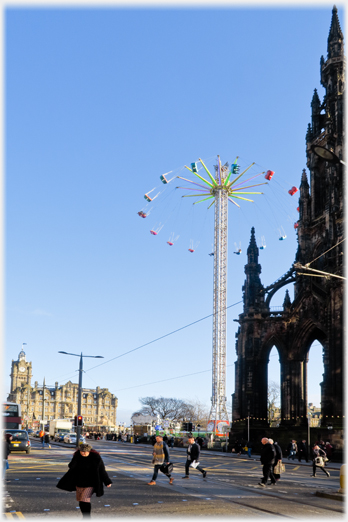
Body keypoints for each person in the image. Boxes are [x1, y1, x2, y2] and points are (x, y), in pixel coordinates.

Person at [56, 443, 112, 517]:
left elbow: (102, 470)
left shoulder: (95, 458)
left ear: (89, 451)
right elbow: (71, 466)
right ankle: (85, 516)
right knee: (81, 501)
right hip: (79, 482)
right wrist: (76, 458)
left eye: (85, 451)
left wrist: (107, 481)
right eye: (82, 451)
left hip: (91, 483)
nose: (83, 453)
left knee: (85, 499)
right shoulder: (77, 456)